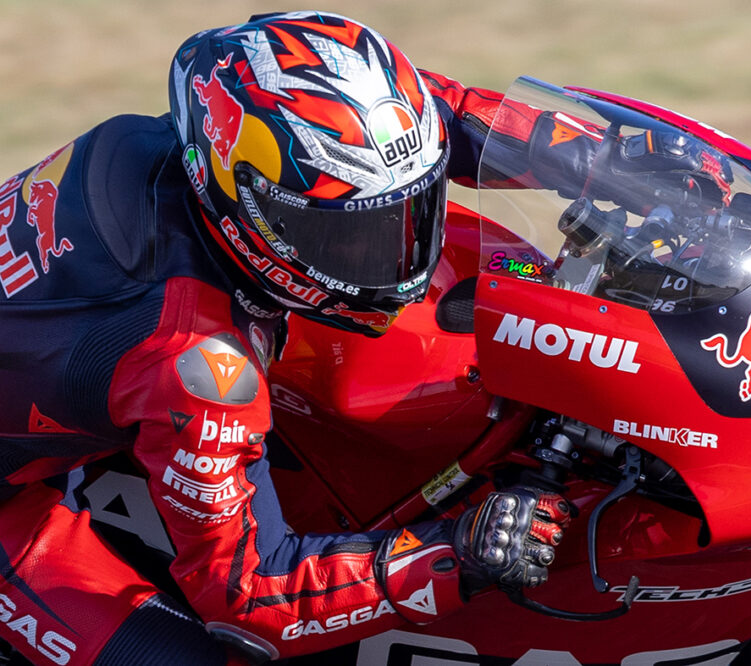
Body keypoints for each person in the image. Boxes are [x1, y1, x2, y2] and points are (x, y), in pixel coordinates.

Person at [0, 11, 580, 664]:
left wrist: (596, 156)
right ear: (247, 206)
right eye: (345, 235)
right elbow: (250, 595)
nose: (394, 255)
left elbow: (439, 115)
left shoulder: (228, 138)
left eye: (406, 211)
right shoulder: (194, 359)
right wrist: (458, 554)